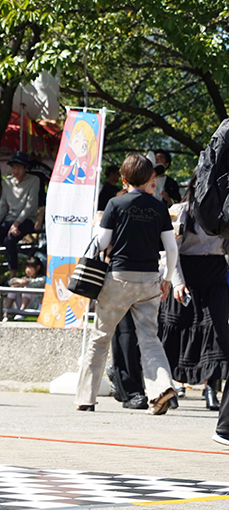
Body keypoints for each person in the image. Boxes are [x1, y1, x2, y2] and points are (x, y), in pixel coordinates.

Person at [76, 154, 179, 414]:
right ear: (149, 179)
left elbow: (100, 242)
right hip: (149, 281)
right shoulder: (158, 207)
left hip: (119, 278)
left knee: (100, 338)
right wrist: (166, 279)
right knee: (150, 339)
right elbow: (170, 248)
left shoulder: (115, 203)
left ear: (123, 179)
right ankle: (162, 388)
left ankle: (86, 398)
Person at [158, 172, 229, 416]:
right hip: (187, 271)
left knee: (217, 328)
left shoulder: (224, 210)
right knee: (177, 329)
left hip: (216, 271)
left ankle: (211, 387)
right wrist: (176, 282)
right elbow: (171, 251)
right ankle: (173, 386)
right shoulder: (181, 210)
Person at [0, 152, 39, 284]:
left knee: (10, 241)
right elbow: (3, 205)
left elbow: (30, 206)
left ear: (25, 167)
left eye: (18, 167)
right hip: (10, 219)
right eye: (13, 167)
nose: (15, 170)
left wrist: (17, 223)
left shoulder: (34, 181)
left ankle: (12, 277)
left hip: (27, 219)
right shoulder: (7, 182)